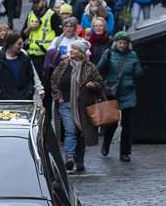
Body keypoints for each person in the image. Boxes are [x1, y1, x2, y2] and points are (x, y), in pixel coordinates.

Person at [51, 40, 105, 173]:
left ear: (81, 52)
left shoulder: (90, 67)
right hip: (66, 104)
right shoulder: (63, 65)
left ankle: (79, 160)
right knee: (70, 130)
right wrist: (58, 96)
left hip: (83, 105)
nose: (71, 51)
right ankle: (69, 158)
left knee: (81, 132)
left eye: (75, 49)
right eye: (72, 49)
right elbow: (53, 81)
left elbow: (100, 83)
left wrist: (93, 85)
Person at [96, 33, 143, 163]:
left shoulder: (132, 56)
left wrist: (136, 65)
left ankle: (125, 153)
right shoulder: (109, 53)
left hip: (128, 93)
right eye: (120, 42)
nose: (122, 45)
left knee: (127, 125)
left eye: (124, 43)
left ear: (128, 44)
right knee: (112, 122)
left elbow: (139, 73)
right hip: (112, 92)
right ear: (116, 42)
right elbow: (98, 69)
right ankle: (106, 143)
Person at [0, 32, 39, 101]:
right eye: (19, 44)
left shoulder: (25, 59)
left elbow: (31, 79)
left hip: (24, 101)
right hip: (4, 102)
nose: (21, 46)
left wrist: (29, 93)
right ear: (10, 44)